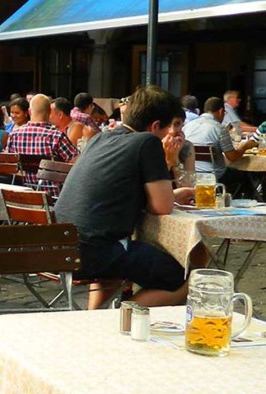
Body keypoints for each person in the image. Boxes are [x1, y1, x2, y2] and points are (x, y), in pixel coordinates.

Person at [55, 85, 202, 309]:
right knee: (183, 278)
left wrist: (173, 194)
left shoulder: (100, 139)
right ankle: (115, 321)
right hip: (97, 250)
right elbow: (162, 207)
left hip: (63, 245)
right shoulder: (147, 142)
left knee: (124, 261)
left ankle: (94, 316)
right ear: (154, 126)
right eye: (166, 128)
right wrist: (169, 162)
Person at [183, 96, 257, 196]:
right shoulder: (219, 129)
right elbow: (232, 157)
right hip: (213, 176)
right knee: (244, 174)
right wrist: (245, 146)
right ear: (221, 111)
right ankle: (245, 203)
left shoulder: (187, 126)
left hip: (189, 175)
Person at [6, 94, 78, 196]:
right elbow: (77, 164)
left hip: (25, 196)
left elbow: (10, 166)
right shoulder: (56, 136)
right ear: (49, 112)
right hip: (54, 197)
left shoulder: (14, 135)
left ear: (30, 111)